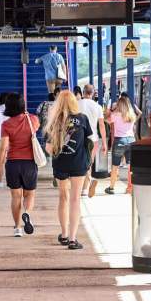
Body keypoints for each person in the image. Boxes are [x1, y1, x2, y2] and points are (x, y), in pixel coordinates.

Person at [46, 89, 92, 250]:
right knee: (75, 200)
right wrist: (89, 161)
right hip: (78, 164)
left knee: (63, 198)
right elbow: (91, 142)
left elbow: (49, 148)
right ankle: (73, 239)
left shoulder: (54, 121)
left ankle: (64, 234)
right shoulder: (83, 119)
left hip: (60, 164)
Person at [0, 92, 41, 237]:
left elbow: (3, 147)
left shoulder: (6, 124)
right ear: (22, 105)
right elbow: (36, 128)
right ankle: (26, 213)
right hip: (29, 163)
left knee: (16, 196)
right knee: (29, 194)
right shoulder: (33, 119)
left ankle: (17, 228)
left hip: (13, 164)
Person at [106, 92, 140, 194]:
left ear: (119, 105)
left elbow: (106, 120)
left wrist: (112, 110)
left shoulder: (116, 115)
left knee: (115, 165)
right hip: (131, 141)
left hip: (119, 141)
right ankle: (131, 187)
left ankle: (111, 188)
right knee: (130, 166)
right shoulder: (132, 115)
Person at [79, 83, 107, 197]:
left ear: (83, 92)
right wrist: (104, 142)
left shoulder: (76, 104)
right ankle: (85, 189)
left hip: (78, 138)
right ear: (93, 93)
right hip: (93, 139)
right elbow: (101, 125)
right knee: (89, 163)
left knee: (78, 162)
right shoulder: (98, 107)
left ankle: (79, 186)